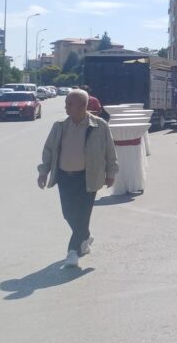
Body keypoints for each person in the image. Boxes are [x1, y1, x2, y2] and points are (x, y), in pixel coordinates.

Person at [37, 89, 118, 268]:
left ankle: (72, 251)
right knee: (68, 213)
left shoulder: (99, 126)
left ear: (82, 106)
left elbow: (110, 151)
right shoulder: (60, 127)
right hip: (65, 177)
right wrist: (43, 172)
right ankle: (86, 236)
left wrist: (111, 173)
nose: (65, 107)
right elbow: (49, 150)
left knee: (82, 214)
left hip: (88, 177)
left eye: (69, 104)